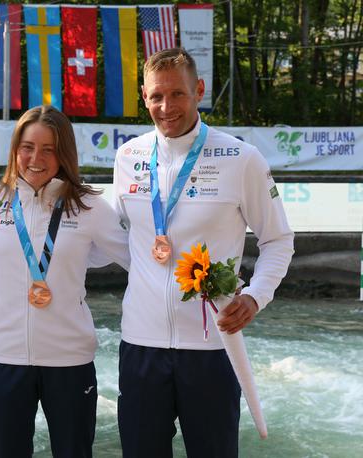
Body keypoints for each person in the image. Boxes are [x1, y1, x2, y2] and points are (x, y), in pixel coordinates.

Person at [113, 48, 294, 457]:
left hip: (213, 349)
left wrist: (255, 296)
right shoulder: (128, 157)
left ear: (198, 90)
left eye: (177, 94)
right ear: (144, 96)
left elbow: (278, 240)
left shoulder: (241, 158)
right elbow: (121, 235)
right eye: (156, 96)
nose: (166, 106)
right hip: (141, 344)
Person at [0, 105, 130, 457]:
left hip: (69, 360)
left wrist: (206, 286)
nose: (35, 158)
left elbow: (139, 261)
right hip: (5, 358)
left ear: (64, 153)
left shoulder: (90, 206)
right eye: (27, 147)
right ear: (15, 150)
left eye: (48, 149)